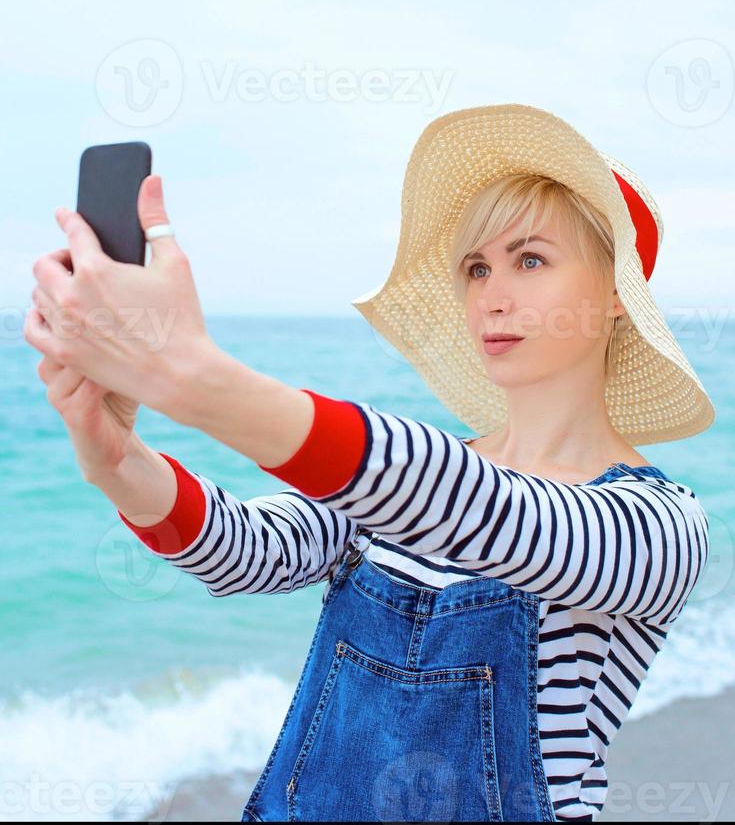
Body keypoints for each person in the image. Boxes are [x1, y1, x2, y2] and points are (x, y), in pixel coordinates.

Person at [30, 104, 714, 822]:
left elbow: (488, 514)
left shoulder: (655, 526)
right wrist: (115, 461)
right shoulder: (406, 483)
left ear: (612, 297)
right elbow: (248, 553)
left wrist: (194, 380)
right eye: (476, 267)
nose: (491, 295)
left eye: (530, 259)